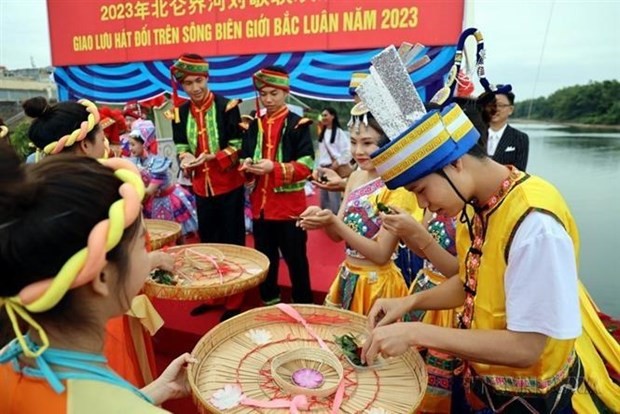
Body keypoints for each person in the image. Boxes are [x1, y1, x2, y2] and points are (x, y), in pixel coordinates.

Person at [363, 100, 619, 412]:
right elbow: (473, 284)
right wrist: (410, 302)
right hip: (485, 386)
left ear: (455, 163)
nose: (423, 204)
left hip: (532, 402)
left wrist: (416, 331)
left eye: (421, 190)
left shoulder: (535, 224)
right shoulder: (477, 204)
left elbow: (527, 347)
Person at [0, 141, 193, 412]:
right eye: (141, 243)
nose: (148, 251)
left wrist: (149, 394)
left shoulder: (10, 359)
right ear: (101, 276)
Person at [20, 96, 165, 388]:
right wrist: (154, 260)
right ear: (85, 144)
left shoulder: (41, 191)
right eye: (101, 134)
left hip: (61, 326)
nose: (106, 141)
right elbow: (101, 264)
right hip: (99, 317)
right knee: (116, 382)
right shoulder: (101, 198)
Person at [299, 105, 421, 315]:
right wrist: (322, 219)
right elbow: (337, 236)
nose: (358, 151)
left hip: (379, 286)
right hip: (348, 276)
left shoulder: (398, 187)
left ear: (388, 142)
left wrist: (333, 222)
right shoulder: (355, 177)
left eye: (367, 143)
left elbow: (382, 254)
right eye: (354, 142)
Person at [240, 66, 314, 305]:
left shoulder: (298, 124)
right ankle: (270, 303)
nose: (269, 99)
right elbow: (244, 156)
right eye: (264, 94)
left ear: (286, 92)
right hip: (261, 209)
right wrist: (248, 166)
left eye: (274, 93)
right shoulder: (254, 125)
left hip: (289, 210)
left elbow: (307, 165)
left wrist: (275, 168)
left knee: (297, 261)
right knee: (266, 261)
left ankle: (303, 304)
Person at [170, 53, 245, 247]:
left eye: (199, 80)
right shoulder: (180, 113)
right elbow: (181, 145)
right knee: (210, 243)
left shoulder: (227, 107)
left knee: (233, 242)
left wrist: (213, 157)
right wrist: (185, 158)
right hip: (201, 188)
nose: (195, 88)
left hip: (229, 186)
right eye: (188, 83)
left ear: (207, 78)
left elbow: (238, 146)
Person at [127, 119, 198, 238]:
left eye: (133, 144)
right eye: (129, 144)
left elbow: (150, 190)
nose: (130, 148)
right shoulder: (135, 161)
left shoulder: (158, 163)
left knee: (178, 232)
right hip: (153, 201)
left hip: (169, 199)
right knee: (159, 234)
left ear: (144, 143)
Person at [479, 86, 529, 171]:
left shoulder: (520, 138)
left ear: (511, 109)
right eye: (491, 104)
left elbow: (520, 172)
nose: (494, 109)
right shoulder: (475, 134)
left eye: (500, 105)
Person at [314, 107, 351, 214]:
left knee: (334, 198)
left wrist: (337, 163)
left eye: (326, 115)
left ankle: (336, 221)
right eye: (322, 115)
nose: (323, 118)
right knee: (323, 198)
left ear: (333, 116)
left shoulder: (339, 133)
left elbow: (348, 151)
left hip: (333, 168)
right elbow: (320, 153)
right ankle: (326, 220)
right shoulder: (322, 132)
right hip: (322, 168)